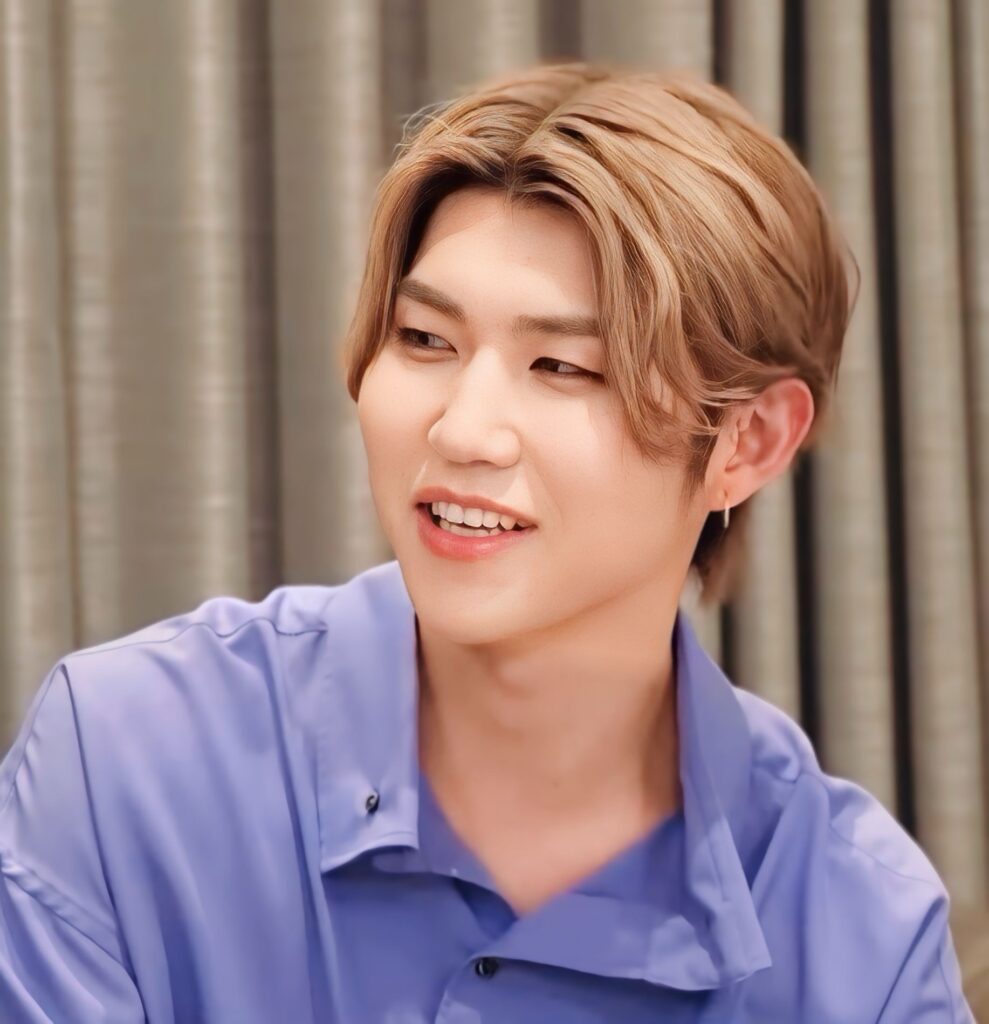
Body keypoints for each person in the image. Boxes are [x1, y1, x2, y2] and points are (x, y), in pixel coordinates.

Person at [0, 62, 974, 1022]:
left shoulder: (858, 936)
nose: (462, 430)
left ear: (747, 442)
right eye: (425, 340)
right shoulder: (127, 762)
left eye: (562, 366)